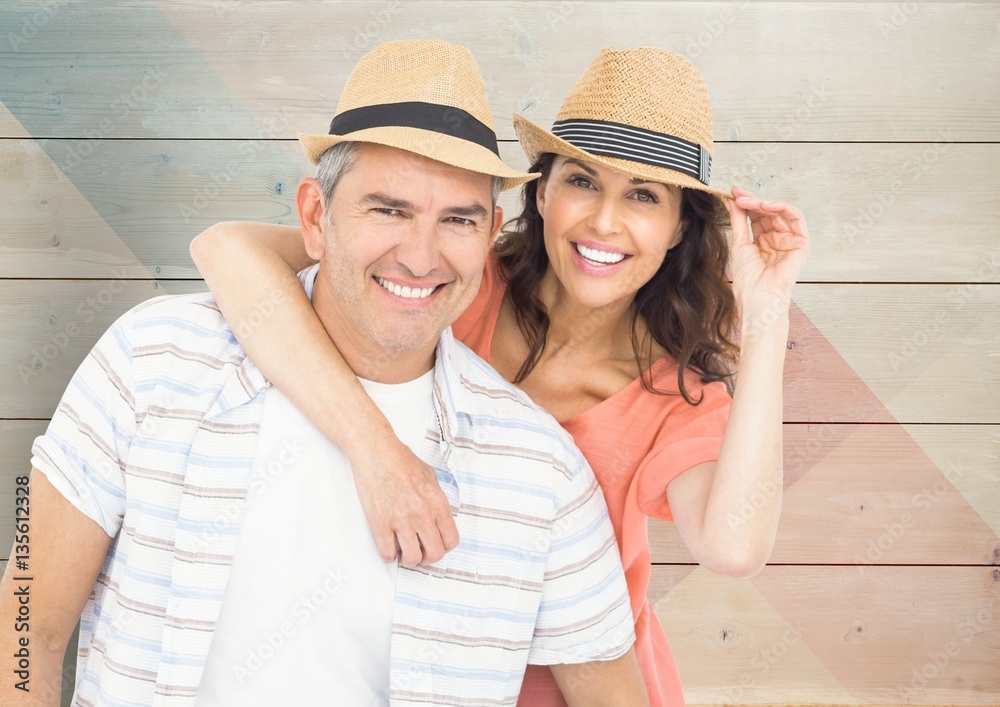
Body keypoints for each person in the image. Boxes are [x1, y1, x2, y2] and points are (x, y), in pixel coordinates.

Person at [0, 40, 652, 707]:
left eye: (457, 219)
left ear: (489, 239)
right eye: (389, 209)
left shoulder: (541, 470)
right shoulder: (152, 359)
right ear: (316, 216)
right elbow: (24, 622)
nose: (420, 255)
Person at [190, 46, 811, 706]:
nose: (603, 220)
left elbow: (734, 548)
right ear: (540, 193)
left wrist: (766, 310)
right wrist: (374, 448)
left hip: (578, 685)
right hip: (404, 658)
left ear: (678, 224)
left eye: (643, 196)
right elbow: (226, 248)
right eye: (582, 181)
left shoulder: (674, 396)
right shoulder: (451, 281)